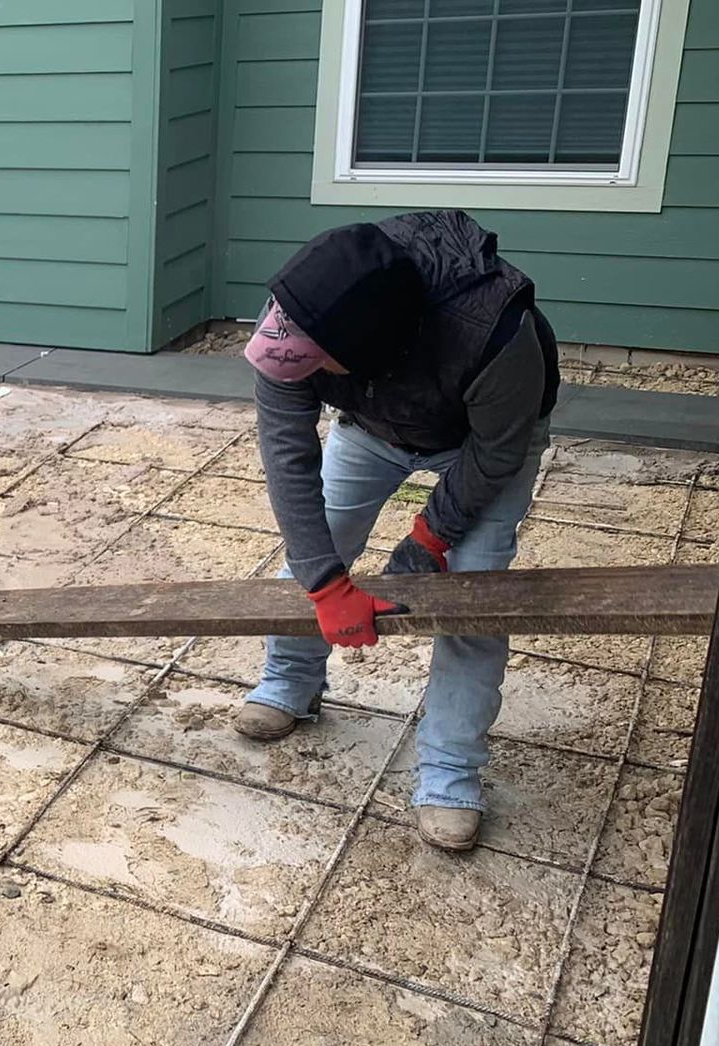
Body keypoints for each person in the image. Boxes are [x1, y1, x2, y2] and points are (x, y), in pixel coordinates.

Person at [235, 210, 559, 852]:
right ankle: (292, 682)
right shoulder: (298, 312)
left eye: (314, 361)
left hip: (481, 441)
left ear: (366, 348)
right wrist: (327, 585)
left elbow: (496, 454)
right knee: (310, 549)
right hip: (373, 427)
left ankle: (448, 774)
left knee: (472, 598)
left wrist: (430, 537)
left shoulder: (496, 333)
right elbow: (286, 451)